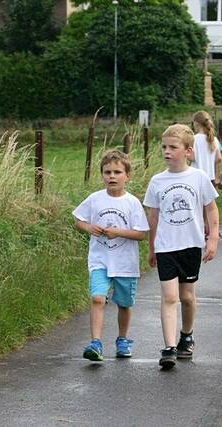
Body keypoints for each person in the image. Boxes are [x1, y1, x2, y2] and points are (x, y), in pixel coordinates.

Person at [143, 124, 219, 370]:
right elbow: (153, 217)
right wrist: (151, 247)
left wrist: (213, 238)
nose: (167, 151)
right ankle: (168, 347)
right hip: (166, 246)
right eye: (164, 147)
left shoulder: (197, 177)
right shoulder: (157, 181)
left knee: (186, 296)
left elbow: (211, 208)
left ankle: (186, 335)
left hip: (191, 245)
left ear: (188, 151)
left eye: (173, 147)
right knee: (169, 297)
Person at [73, 150, 150, 362]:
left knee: (124, 303)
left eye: (117, 172)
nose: (112, 176)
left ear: (127, 176)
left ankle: (122, 340)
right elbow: (78, 220)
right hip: (100, 260)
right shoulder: (94, 199)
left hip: (125, 263)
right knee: (98, 298)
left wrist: (117, 232)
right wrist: (89, 228)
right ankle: (95, 343)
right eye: (107, 172)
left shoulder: (132, 203)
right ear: (102, 175)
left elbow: (141, 234)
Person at [191, 111, 222, 238]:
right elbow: (219, 158)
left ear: (196, 123)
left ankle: (199, 230)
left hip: (196, 176)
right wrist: (209, 161)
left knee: (197, 206)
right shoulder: (214, 139)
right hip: (210, 177)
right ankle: (208, 230)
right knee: (209, 207)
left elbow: (191, 157)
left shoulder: (194, 139)